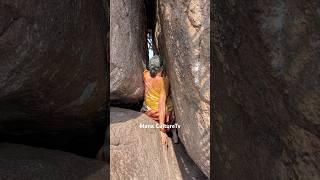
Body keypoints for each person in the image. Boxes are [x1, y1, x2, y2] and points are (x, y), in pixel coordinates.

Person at [141, 55, 178, 145]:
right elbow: (161, 103)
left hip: (148, 111)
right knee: (170, 102)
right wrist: (162, 130)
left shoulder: (145, 75)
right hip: (159, 114)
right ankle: (173, 130)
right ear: (161, 68)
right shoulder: (164, 81)